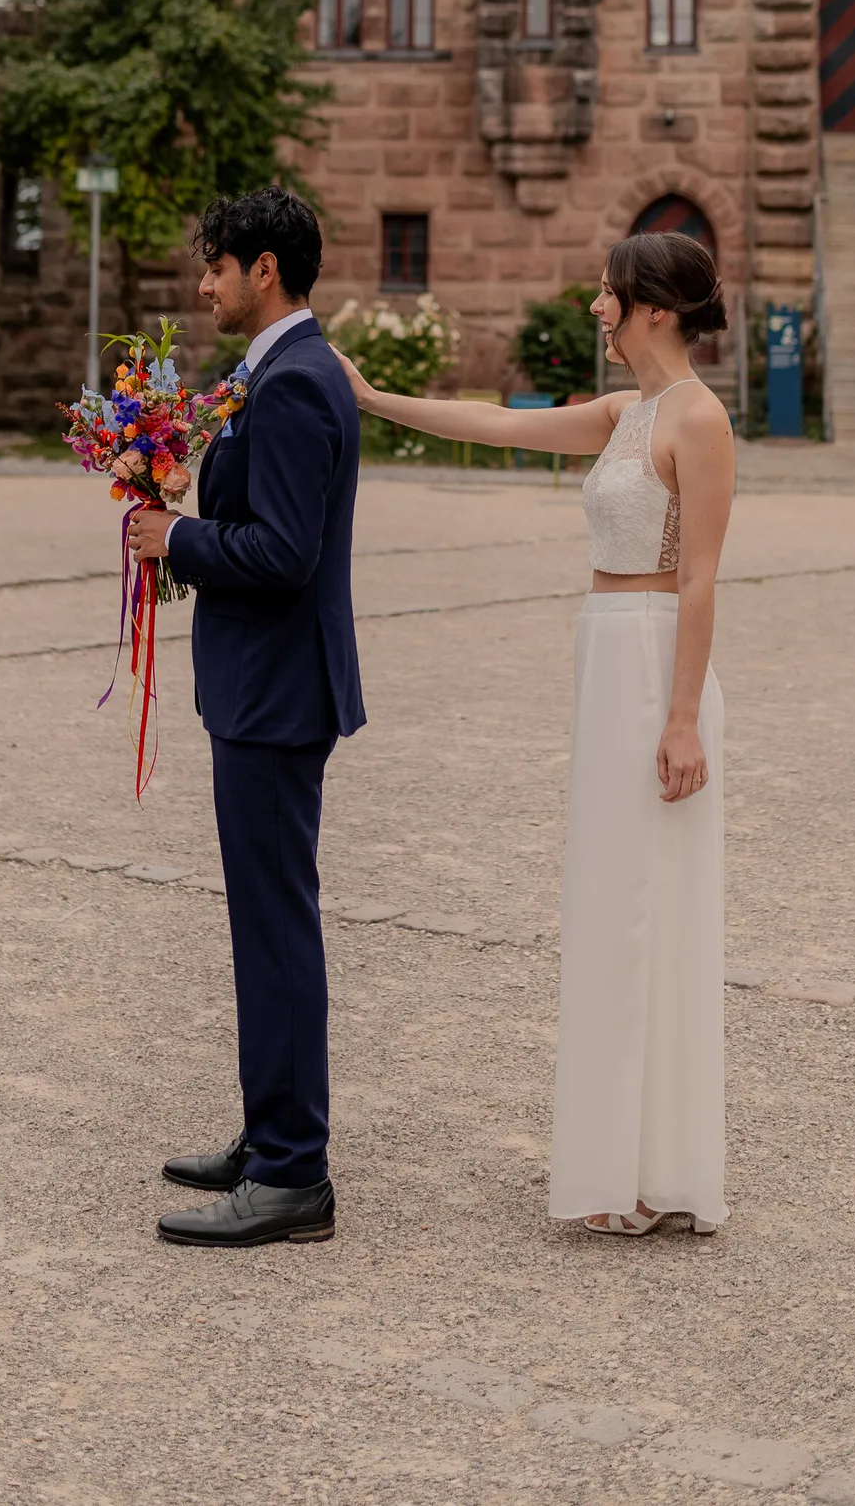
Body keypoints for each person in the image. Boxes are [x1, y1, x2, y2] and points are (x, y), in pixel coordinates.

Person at [336, 231, 732, 1236]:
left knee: (653, 908)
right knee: (608, 903)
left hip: (653, 663)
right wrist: (376, 400)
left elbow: (699, 582)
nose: (594, 308)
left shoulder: (697, 418)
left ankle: (660, 1171)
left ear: (652, 306)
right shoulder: (622, 415)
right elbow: (498, 425)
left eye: (606, 294)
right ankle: (617, 1166)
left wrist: (683, 719)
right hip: (604, 653)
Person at [126, 186, 362, 1248]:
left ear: (263, 268)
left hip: (277, 694)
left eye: (214, 265)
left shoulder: (300, 383)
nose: (204, 283)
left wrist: (172, 540)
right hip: (256, 687)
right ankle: (270, 1137)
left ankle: (293, 1171)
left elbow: (283, 553)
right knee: (262, 924)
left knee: (275, 928)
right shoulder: (265, 377)